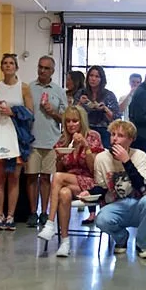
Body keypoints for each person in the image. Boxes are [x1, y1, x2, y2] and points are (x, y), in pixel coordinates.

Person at [82, 120, 146, 259]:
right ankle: (122, 238)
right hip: (115, 206)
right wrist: (90, 192)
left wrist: (127, 162)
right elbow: (102, 187)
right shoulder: (101, 158)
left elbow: (143, 188)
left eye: (120, 135)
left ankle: (142, 244)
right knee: (101, 220)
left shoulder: (140, 155)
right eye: (112, 134)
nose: (115, 139)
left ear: (131, 139)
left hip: (138, 203)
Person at [37, 106, 104, 257]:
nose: (71, 124)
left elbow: (94, 169)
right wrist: (59, 158)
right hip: (70, 184)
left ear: (82, 121)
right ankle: (65, 242)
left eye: (75, 121)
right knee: (64, 193)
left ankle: (50, 223)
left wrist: (86, 146)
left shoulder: (93, 136)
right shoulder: (63, 140)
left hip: (90, 182)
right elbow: (60, 168)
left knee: (58, 177)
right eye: (67, 121)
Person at [0, 53, 34, 231]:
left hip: (17, 135)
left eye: (11, 63)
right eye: (5, 63)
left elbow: (30, 112)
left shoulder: (24, 87)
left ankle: (11, 215)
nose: (8, 66)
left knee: (14, 178)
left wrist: (14, 112)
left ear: (16, 67)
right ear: (1, 66)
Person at [26, 55, 67, 228]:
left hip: (52, 141)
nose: (42, 71)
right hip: (32, 140)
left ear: (53, 71)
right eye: (40, 67)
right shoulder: (28, 88)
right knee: (31, 177)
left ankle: (44, 212)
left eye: (46, 68)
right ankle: (32, 212)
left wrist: (52, 112)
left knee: (46, 178)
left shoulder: (58, 91)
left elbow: (66, 118)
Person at [78, 65, 120, 148]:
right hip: (85, 129)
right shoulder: (81, 92)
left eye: (97, 76)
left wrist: (105, 109)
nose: (93, 79)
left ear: (102, 79)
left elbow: (116, 118)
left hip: (104, 131)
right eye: (91, 76)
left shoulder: (109, 95)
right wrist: (80, 103)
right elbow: (73, 112)